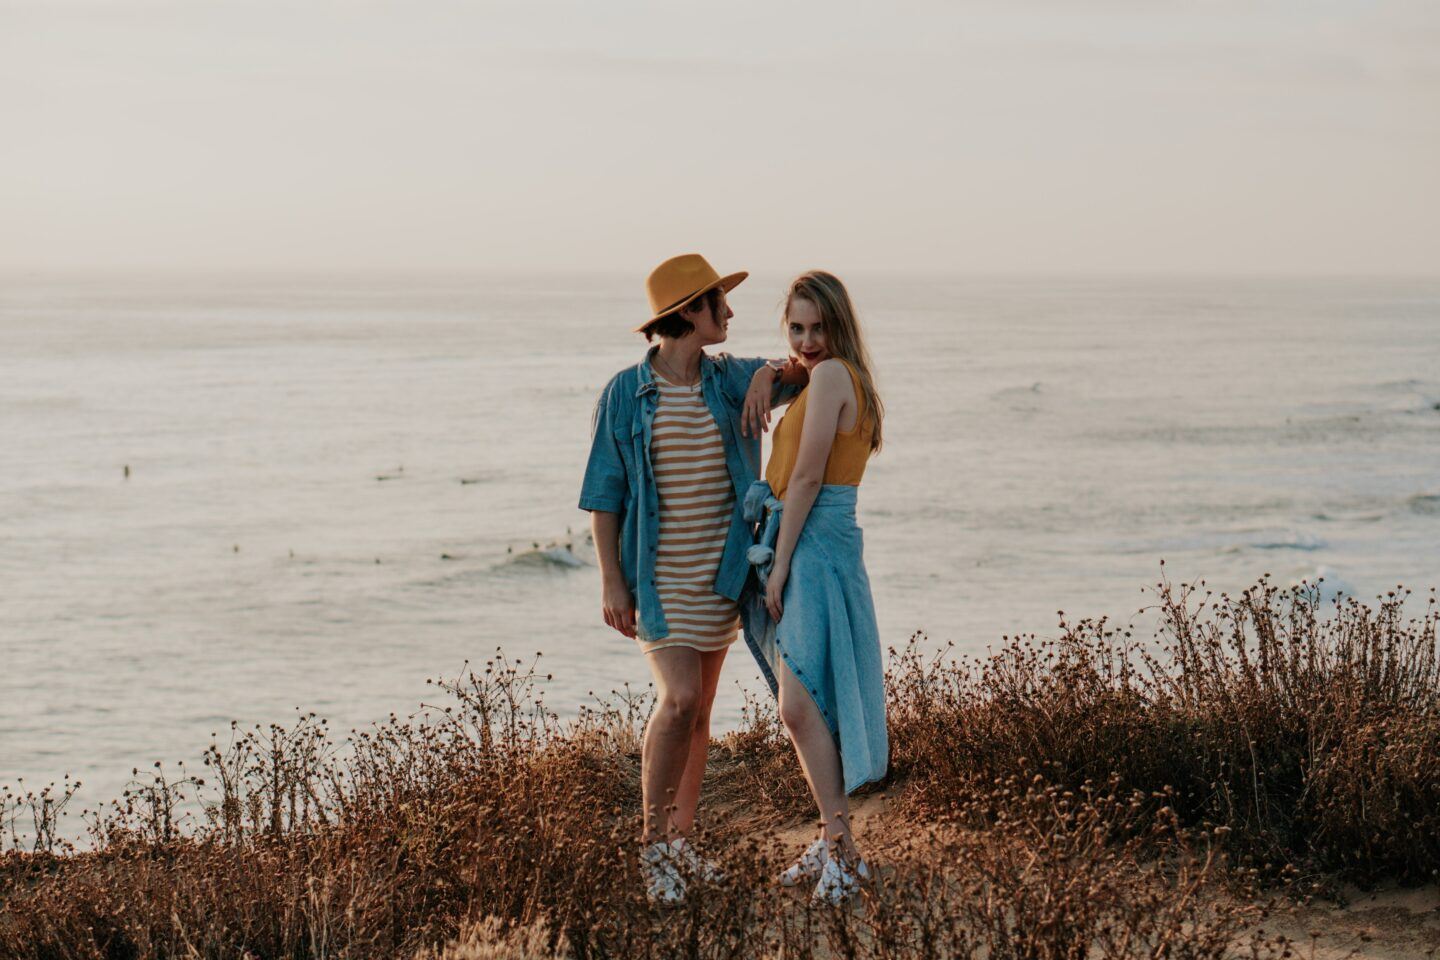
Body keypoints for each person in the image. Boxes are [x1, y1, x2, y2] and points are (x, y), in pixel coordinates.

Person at [579, 253, 807, 905]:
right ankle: (653, 852)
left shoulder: (730, 378)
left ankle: (680, 846)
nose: (730, 313)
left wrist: (768, 373)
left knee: (701, 712)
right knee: (678, 700)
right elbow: (604, 494)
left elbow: (807, 367)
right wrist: (611, 582)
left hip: (723, 577)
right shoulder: (625, 393)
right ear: (687, 312)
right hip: (657, 581)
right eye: (718, 302)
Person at [739, 270, 888, 904]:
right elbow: (795, 372)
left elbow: (804, 482)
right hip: (819, 542)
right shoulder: (828, 375)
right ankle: (837, 844)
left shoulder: (831, 377)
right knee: (808, 700)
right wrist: (767, 374)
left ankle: (841, 851)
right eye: (796, 328)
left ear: (839, 324)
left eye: (817, 327)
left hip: (814, 544)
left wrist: (777, 566)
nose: (806, 340)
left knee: (798, 704)